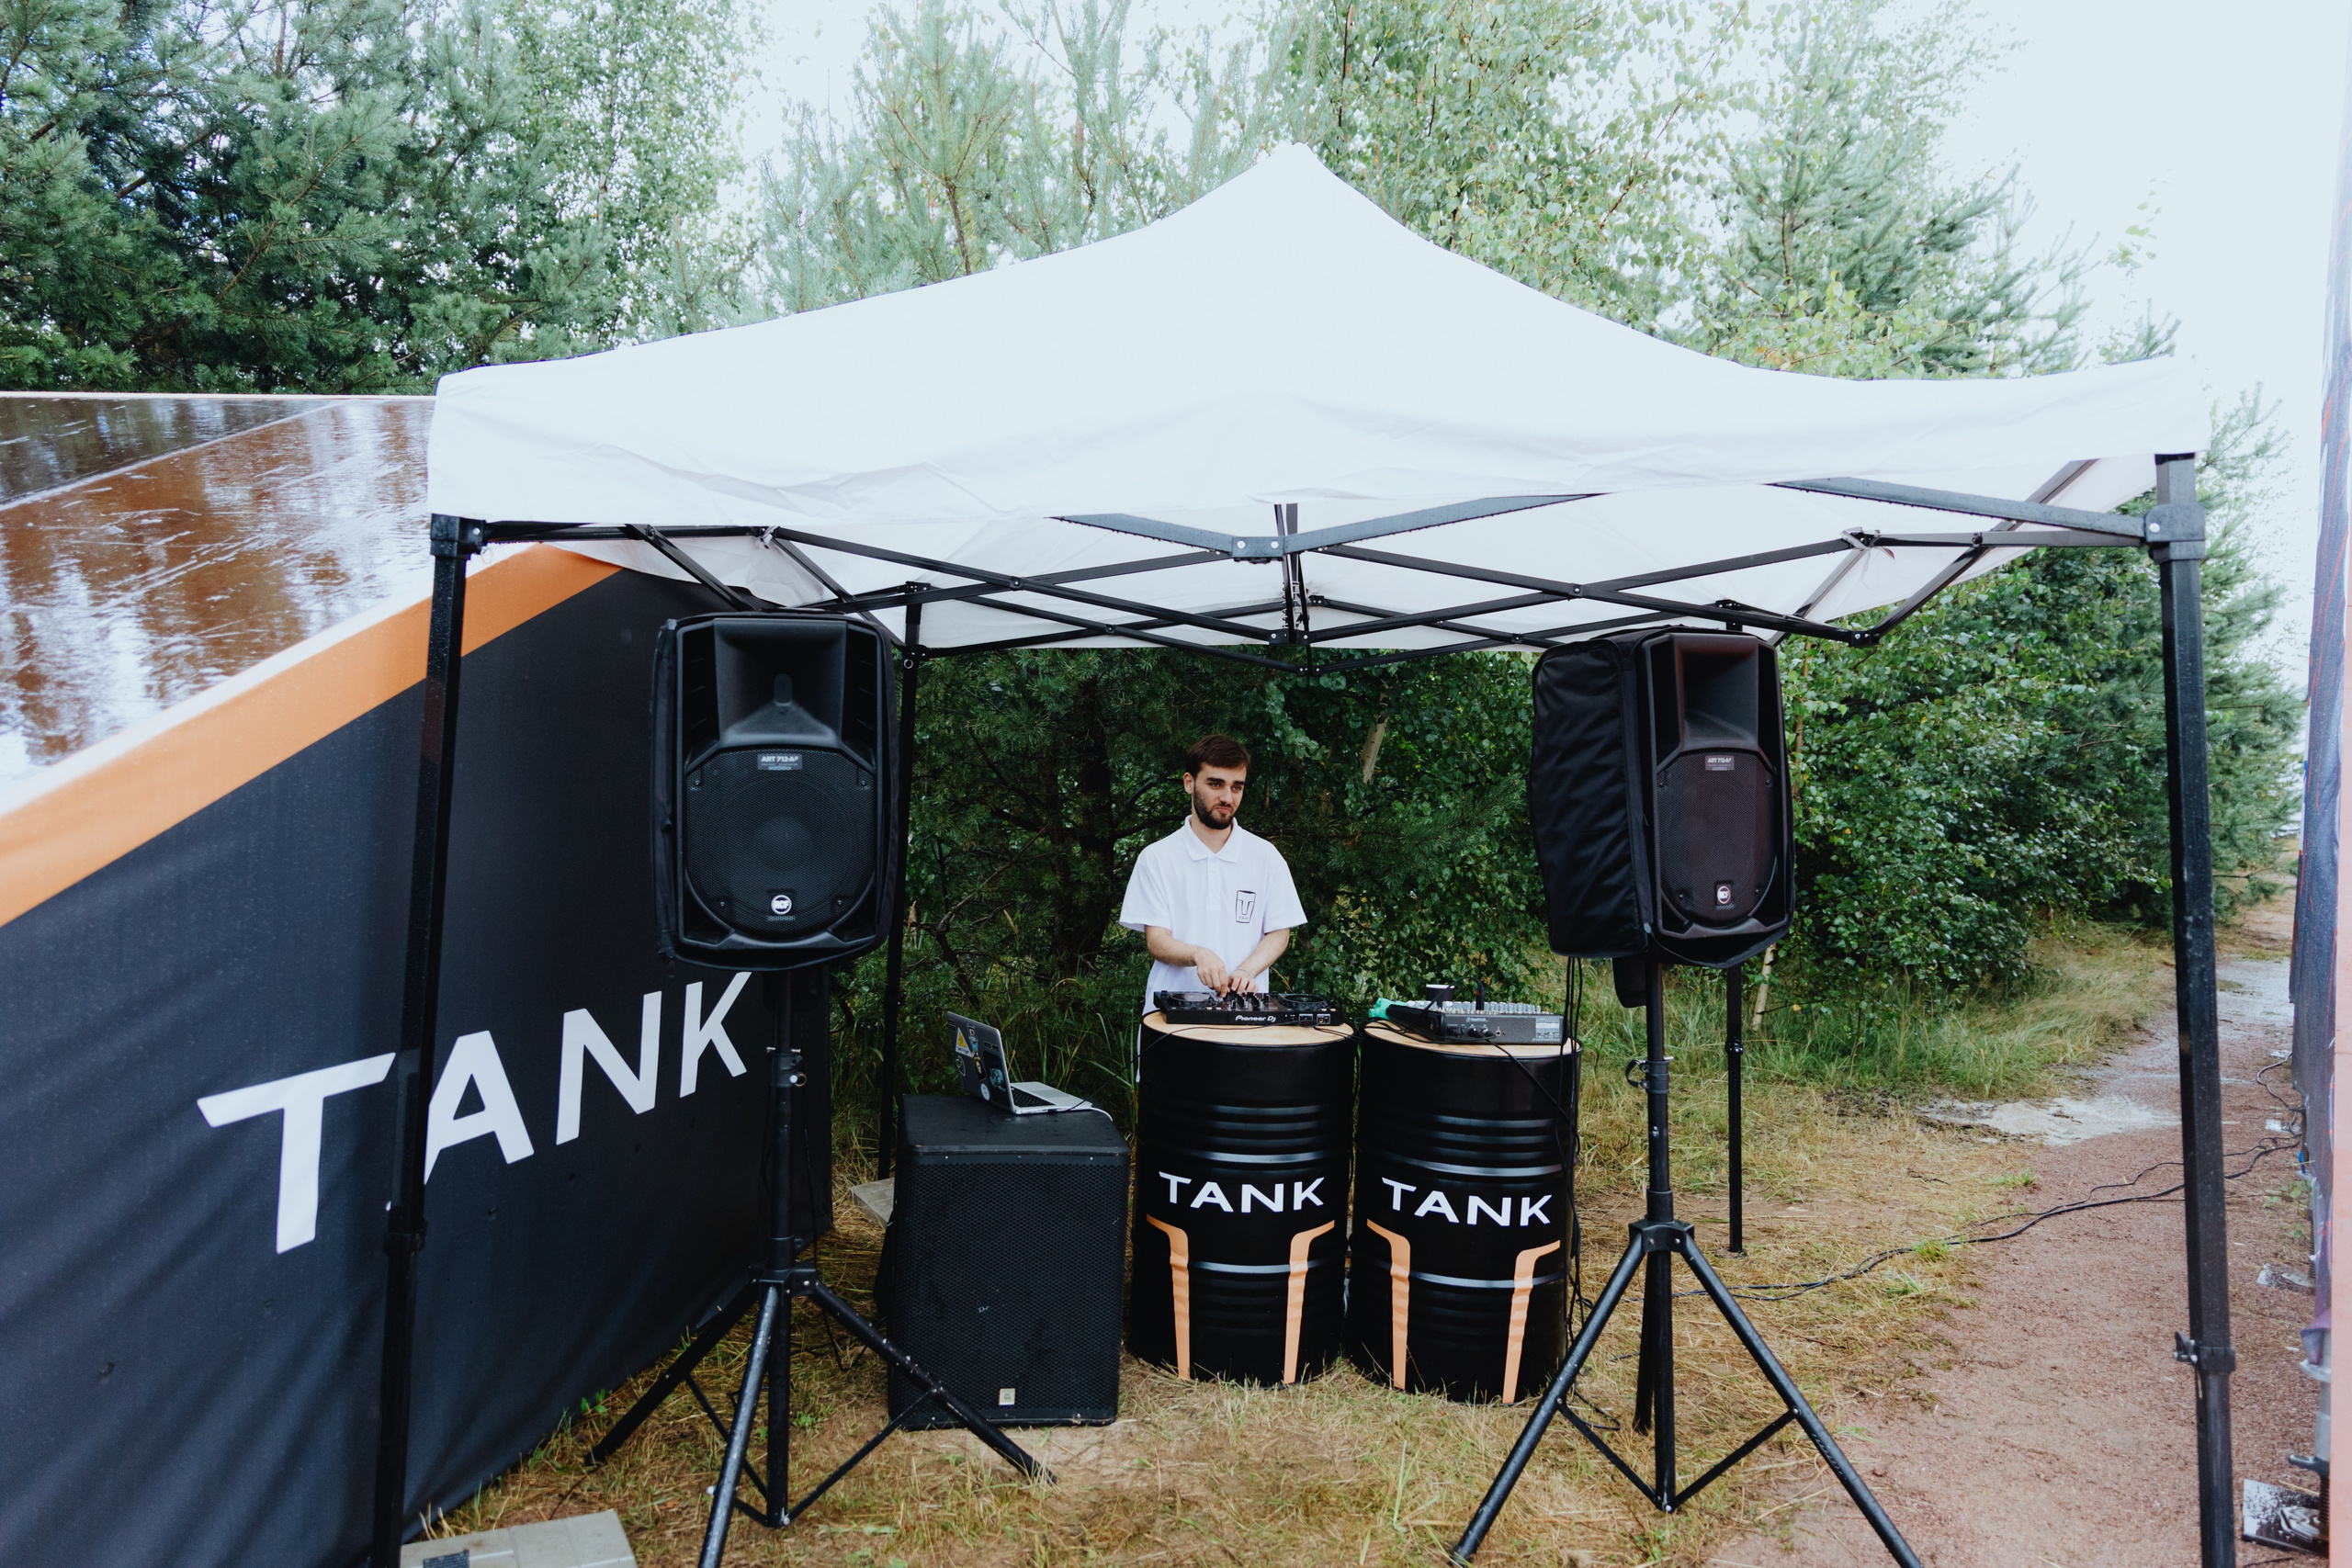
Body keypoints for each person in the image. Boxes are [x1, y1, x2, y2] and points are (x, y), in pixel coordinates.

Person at [1118, 733, 1306, 1012]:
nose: (1227, 797)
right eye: (1216, 784)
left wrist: (1247, 970)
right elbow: (1157, 942)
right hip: (1169, 1020)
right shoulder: (1157, 858)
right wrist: (1198, 954)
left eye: (1236, 787)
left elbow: (1279, 932)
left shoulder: (1265, 857)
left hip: (1245, 1018)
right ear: (1189, 783)